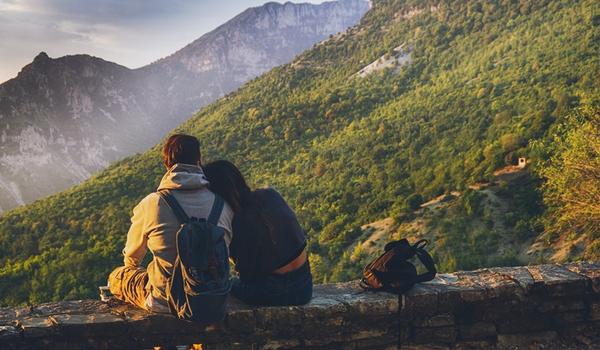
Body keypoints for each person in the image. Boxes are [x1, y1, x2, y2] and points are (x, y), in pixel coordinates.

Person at [107, 134, 234, 312]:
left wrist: (135, 269)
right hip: (212, 298)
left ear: (167, 163)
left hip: (164, 300)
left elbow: (132, 255)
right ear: (199, 160)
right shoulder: (222, 205)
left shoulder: (153, 203)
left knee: (117, 276)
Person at [203, 160, 312, 306]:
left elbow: (248, 278)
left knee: (225, 285)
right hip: (305, 285)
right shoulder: (270, 194)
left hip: (275, 292)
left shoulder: (237, 221)